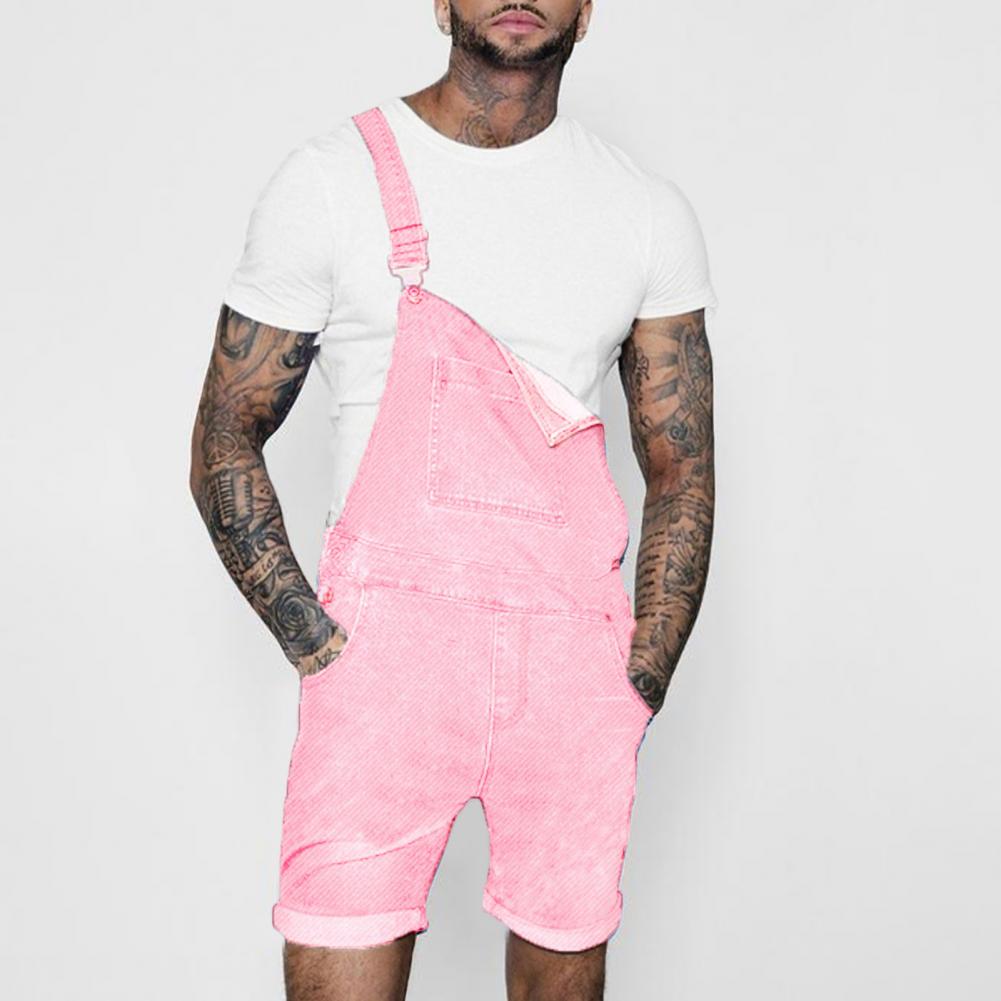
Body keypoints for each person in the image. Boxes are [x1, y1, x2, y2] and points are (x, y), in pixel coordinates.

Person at [189, 2, 718, 998]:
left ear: (586, 12)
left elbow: (680, 464)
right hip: (383, 670)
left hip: (569, 670)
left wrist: (633, 678)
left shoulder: (645, 211)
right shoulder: (335, 178)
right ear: (438, 2)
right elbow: (226, 429)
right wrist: (321, 647)